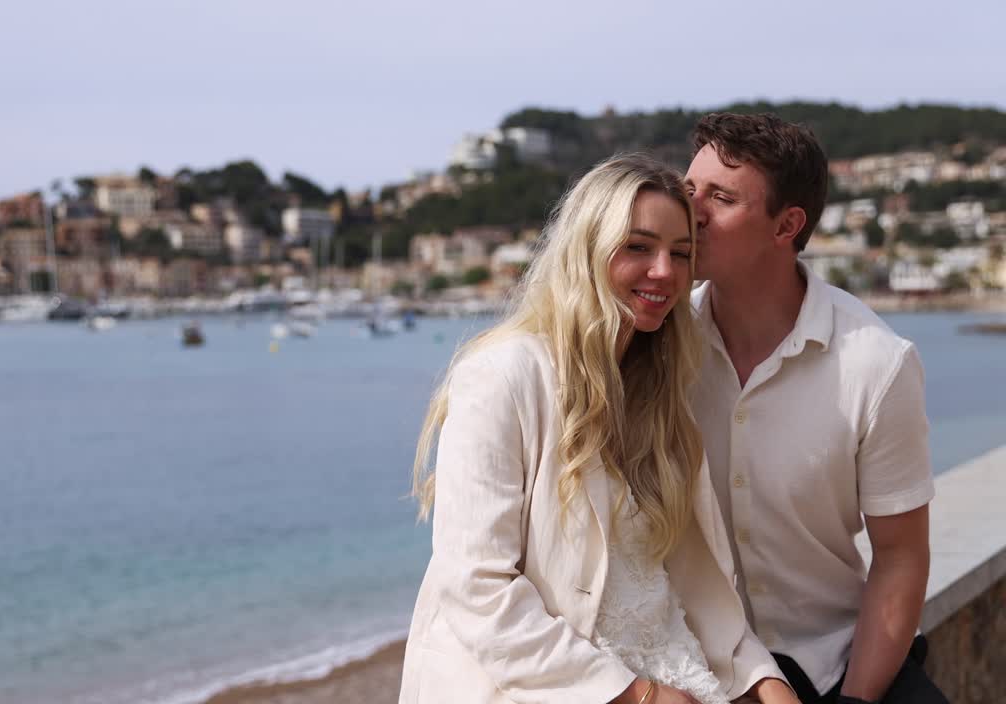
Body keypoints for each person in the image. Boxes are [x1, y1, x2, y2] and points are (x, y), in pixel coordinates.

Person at [398, 154, 798, 704]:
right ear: (586, 248)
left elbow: (687, 580)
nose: (665, 271)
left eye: (681, 254)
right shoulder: (501, 377)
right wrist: (637, 695)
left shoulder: (662, 396)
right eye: (638, 246)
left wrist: (761, 677)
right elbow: (476, 587)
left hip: (677, 678)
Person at [683, 113, 947, 704]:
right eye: (688, 190)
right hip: (694, 664)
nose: (692, 213)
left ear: (787, 225)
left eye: (721, 198)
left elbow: (901, 557)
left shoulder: (876, 363)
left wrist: (854, 700)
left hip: (837, 662)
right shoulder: (659, 345)